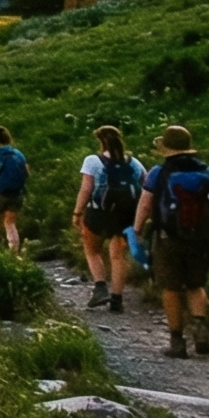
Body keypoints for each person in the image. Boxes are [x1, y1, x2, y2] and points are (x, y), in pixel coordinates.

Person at [138, 124, 209, 358]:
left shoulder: (158, 173)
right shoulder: (208, 172)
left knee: (170, 288)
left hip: (168, 239)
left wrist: (137, 230)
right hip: (202, 239)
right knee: (196, 284)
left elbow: (145, 204)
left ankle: (177, 343)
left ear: (166, 147)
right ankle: (201, 333)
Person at [76, 125, 140, 312]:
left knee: (92, 250)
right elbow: (144, 185)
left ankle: (100, 287)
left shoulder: (92, 160)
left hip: (99, 213)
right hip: (125, 215)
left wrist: (77, 212)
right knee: (118, 256)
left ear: (100, 141)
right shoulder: (133, 162)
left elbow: (86, 189)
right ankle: (117, 299)